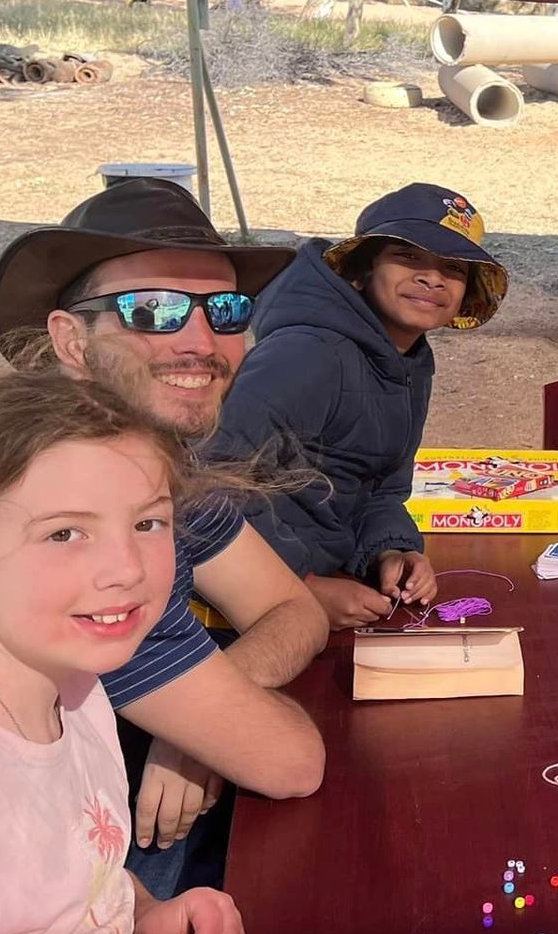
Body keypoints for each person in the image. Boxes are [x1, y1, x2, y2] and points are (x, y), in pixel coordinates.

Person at [0, 178, 326, 890]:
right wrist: (214, 723)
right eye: (155, 310)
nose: (202, 342)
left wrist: (193, 727)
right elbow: (289, 760)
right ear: (71, 339)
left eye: (227, 310)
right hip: (35, 910)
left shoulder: (158, 463)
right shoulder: (65, 501)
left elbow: (293, 609)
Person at [0, 371, 246, 934]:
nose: (125, 569)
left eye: (147, 523)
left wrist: (147, 916)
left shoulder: (70, 682)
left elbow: (74, 873)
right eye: (65, 532)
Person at [209, 184, 507, 629]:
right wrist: (299, 585)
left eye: (452, 267)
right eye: (409, 258)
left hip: (330, 577)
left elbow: (381, 487)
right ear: (361, 270)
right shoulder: (308, 352)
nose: (432, 278)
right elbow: (211, 478)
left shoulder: (409, 362)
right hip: (238, 605)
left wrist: (391, 550)